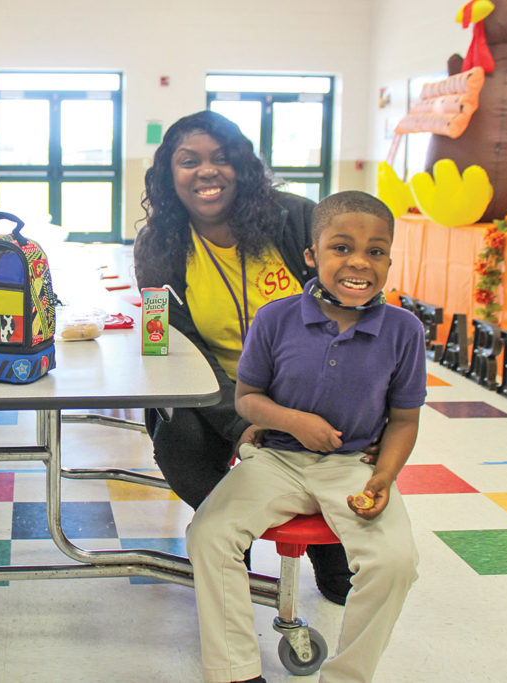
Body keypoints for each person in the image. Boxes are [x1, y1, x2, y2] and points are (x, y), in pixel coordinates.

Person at [187, 190, 425, 683]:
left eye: (376, 251)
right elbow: (247, 399)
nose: (359, 261)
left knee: (395, 562)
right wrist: (295, 422)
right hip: (277, 460)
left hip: (354, 465)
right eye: (342, 247)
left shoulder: (404, 330)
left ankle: (348, 674)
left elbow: (404, 419)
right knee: (209, 534)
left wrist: (384, 475)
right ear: (312, 256)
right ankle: (235, 670)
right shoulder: (276, 318)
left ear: (389, 259)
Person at [133, 110, 353, 604]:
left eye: (221, 158)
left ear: (243, 167)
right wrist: (239, 420)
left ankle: (326, 544)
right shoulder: (159, 245)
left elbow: (350, 313)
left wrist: (297, 408)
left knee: (333, 437)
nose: (206, 171)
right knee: (180, 443)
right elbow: (167, 342)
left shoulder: (296, 219)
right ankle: (231, 545)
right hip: (212, 393)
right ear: (170, 174)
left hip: (309, 390)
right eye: (189, 161)